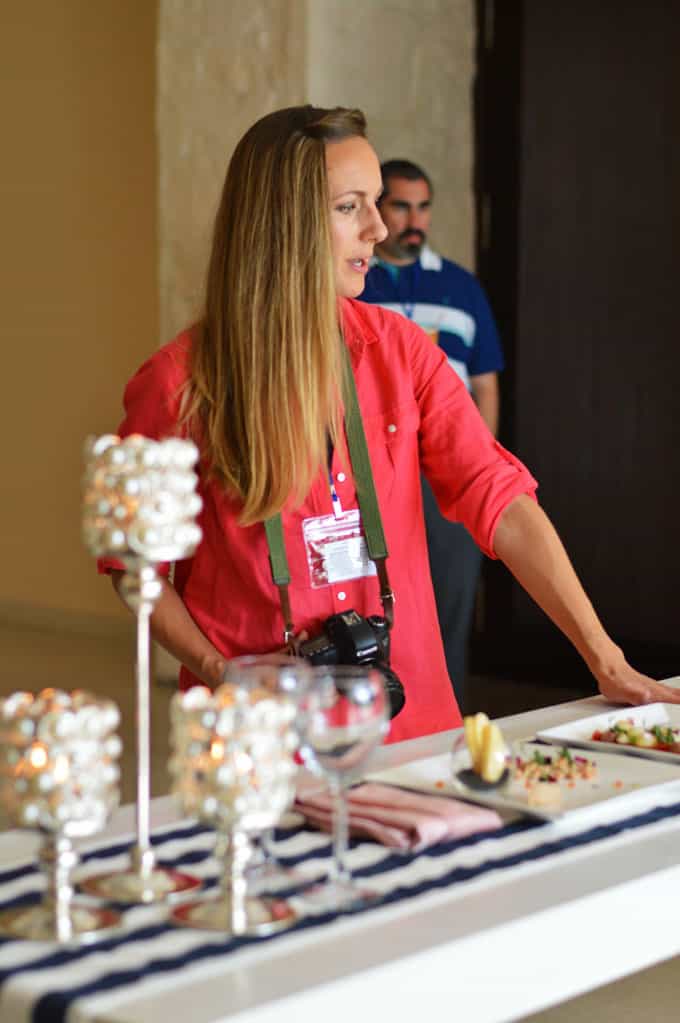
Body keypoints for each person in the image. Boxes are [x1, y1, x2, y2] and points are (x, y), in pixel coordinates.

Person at [100, 105, 680, 746]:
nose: (378, 228)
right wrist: (220, 673)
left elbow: (503, 501)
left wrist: (606, 660)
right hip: (255, 742)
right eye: (352, 207)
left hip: (414, 729)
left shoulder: (400, 351)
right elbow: (136, 566)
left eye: (375, 203)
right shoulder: (175, 385)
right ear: (283, 223)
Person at [361, 159, 503, 708]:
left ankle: (447, 724)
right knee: (377, 605)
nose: (413, 219)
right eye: (400, 206)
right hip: (373, 477)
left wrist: (476, 463)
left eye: (423, 207)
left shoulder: (462, 287)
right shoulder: (354, 279)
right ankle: (378, 726)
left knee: (448, 606)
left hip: (444, 473)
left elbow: (485, 385)